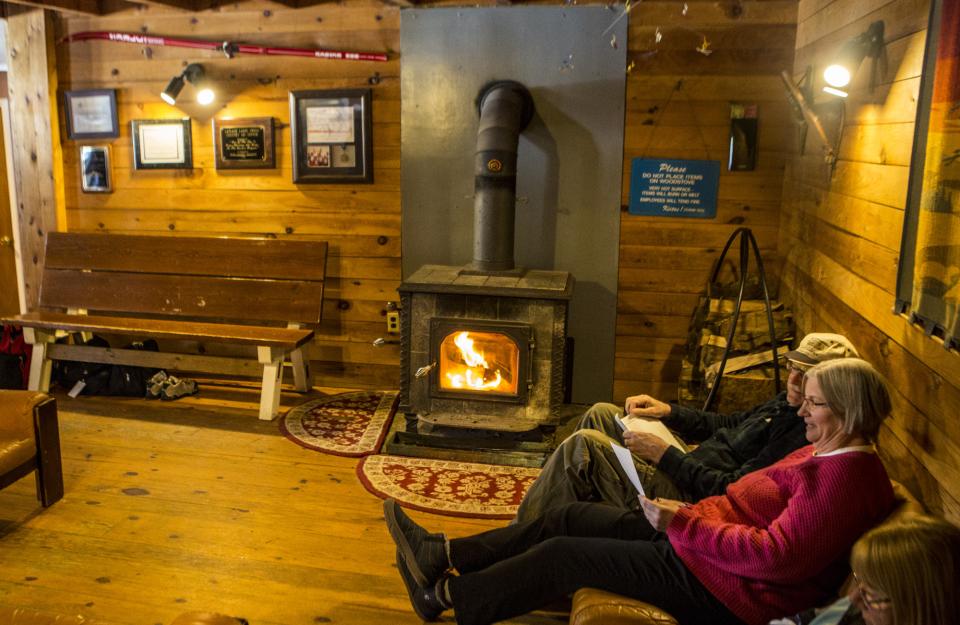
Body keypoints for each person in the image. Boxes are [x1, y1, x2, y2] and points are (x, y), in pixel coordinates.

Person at [385, 358, 896, 625]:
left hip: (725, 588)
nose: (802, 411)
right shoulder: (823, 451)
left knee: (565, 553)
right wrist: (689, 515)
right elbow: (749, 503)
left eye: (814, 403)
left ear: (848, 412)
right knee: (572, 516)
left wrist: (686, 522)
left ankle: (443, 596)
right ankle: (444, 553)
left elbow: (776, 559)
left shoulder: (844, 478)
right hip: (699, 538)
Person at [515, 332, 860, 522]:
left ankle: (521, 535)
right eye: (792, 366)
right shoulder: (786, 400)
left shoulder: (803, 432)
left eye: (806, 373)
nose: (794, 378)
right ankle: (556, 517)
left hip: (688, 493)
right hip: (689, 463)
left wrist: (663, 455)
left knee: (585, 445)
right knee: (603, 412)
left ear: (831, 384)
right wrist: (667, 412)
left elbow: (730, 490)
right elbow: (726, 423)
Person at [771, 515, 960, 625]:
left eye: (870, 594)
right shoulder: (860, 612)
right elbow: (805, 619)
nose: (853, 598)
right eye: (858, 580)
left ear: (918, 604)